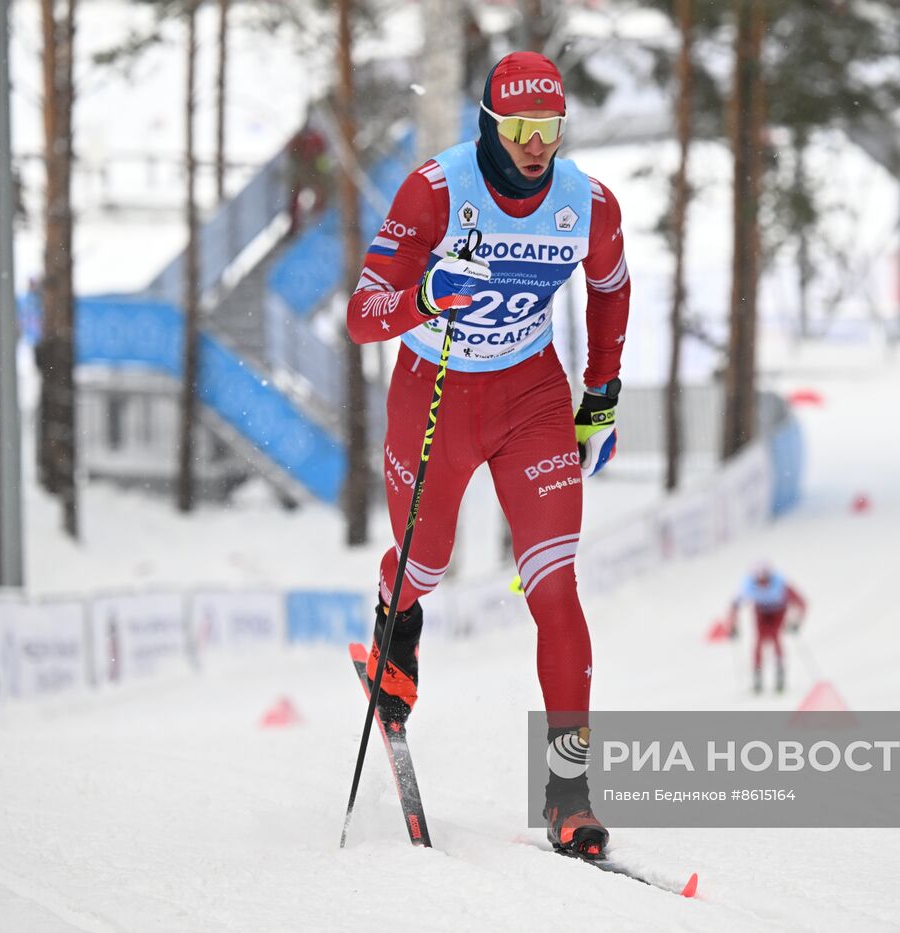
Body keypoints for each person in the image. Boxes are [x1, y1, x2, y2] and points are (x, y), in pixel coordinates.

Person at [345, 51, 630, 859]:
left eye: (549, 129)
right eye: (518, 128)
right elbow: (363, 316)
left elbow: (611, 284)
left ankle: (569, 796)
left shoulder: (586, 203)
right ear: (489, 122)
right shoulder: (437, 192)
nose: (535, 145)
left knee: (555, 585)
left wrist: (599, 392)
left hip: (531, 396)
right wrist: (428, 295)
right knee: (425, 562)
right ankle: (397, 628)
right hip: (435, 391)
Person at [728, 562, 807, 694]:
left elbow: (802, 603)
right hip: (761, 613)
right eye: (759, 581)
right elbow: (735, 605)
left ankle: (779, 675)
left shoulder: (781, 586)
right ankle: (757, 678)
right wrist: (733, 625)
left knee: (775, 638)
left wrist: (796, 622)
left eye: (765, 580)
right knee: (759, 642)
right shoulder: (749, 586)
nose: (762, 584)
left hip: (778, 612)